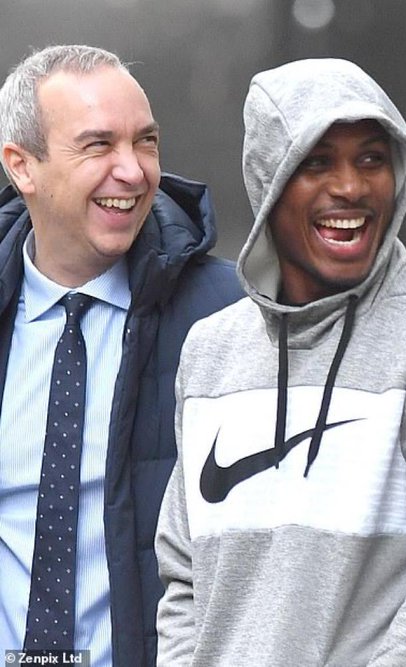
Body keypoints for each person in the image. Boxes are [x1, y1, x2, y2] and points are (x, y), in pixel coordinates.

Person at [156, 58, 406, 666]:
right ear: (268, 181)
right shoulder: (211, 350)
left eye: (372, 159)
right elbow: (184, 575)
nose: (352, 187)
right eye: (316, 162)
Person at [0, 45, 243, 666]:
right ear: (22, 166)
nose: (133, 171)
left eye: (146, 142)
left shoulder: (230, 318)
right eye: (98, 145)